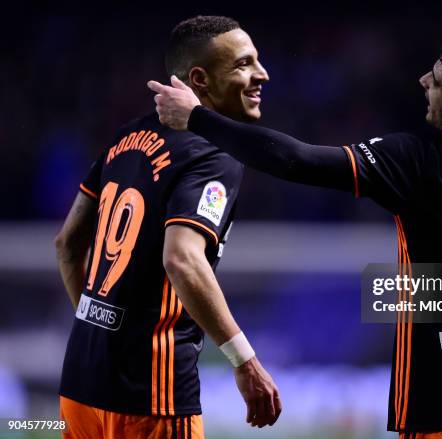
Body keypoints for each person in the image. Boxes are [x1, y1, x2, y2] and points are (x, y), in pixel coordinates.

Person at [149, 33, 442, 438]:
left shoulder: (418, 159)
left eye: (437, 79)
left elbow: (297, 160)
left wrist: (197, 118)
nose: (423, 83)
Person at [54, 15, 280, 439]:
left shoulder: (125, 138)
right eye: (243, 64)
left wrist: (100, 336)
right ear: (201, 79)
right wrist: (245, 362)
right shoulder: (214, 154)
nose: (261, 74)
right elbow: (182, 259)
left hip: (81, 387)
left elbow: (67, 244)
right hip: (152, 397)